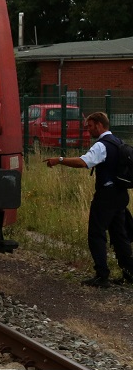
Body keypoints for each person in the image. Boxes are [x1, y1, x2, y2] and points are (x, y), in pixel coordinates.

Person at [46, 111, 133, 287]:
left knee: (96, 234)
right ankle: (129, 273)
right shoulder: (118, 142)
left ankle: (102, 276)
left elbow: (84, 162)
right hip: (121, 194)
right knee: (120, 235)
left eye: (90, 126)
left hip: (106, 195)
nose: (88, 131)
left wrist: (60, 159)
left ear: (99, 124)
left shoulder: (101, 145)